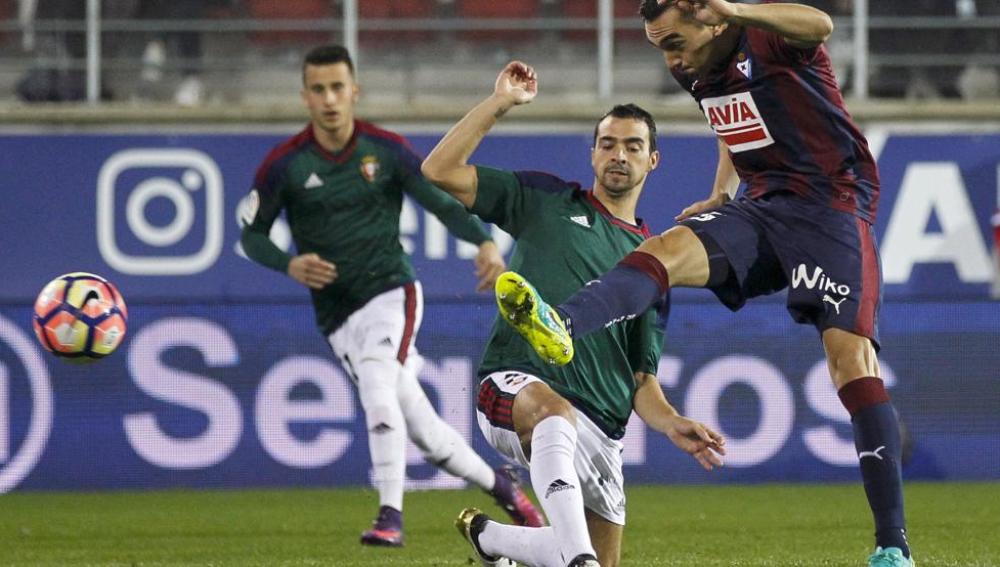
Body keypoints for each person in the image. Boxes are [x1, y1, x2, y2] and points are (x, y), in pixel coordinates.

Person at [493, 2, 914, 566]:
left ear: (713, 22)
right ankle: (564, 323)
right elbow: (732, 122)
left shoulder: (768, 38)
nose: (668, 57)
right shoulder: (691, 65)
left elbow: (822, 25)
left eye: (674, 41)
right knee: (663, 248)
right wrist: (722, 190)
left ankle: (892, 546)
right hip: (762, 204)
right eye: (659, 45)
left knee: (849, 361)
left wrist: (738, 7)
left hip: (831, 205)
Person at [421, 61, 726, 567]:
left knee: (585, 559)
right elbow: (438, 170)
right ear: (592, 153)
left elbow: (640, 379)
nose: (618, 155)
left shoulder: (656, 263)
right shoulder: (546, 201)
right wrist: (499, 102)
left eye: (632, 146)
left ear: (653, 160)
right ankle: (578, 556)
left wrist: (671, 422)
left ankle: (493, 540)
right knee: (553, 417)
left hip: (602, 430)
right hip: (517, 388)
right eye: (607, 143)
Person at [239, 44, 543, 548]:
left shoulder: (383, 149)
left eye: (338, 87)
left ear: (354, 91)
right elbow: (252, 235)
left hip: (390, 292)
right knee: (426, 432)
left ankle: (389, 514)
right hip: (336, 316)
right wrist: (288, 263)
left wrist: (484, 240)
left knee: (377, 386)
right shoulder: (285, 164)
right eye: (319, 89)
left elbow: (440, 200)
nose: (330, 99)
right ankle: (507, 491)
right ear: (305, 96)